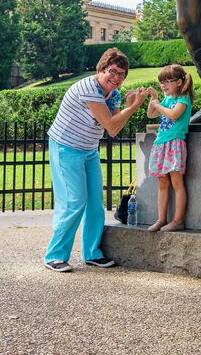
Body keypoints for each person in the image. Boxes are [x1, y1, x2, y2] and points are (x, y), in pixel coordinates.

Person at [43, 47, 149, 272]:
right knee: (74, 201)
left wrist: (127, 106)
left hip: (89, 149)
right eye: (112, 71)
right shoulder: (88, 87)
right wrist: (134, 106)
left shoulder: (115, 94)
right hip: (66, 147)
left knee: (95, 205)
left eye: (121, 74)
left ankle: (91, 253)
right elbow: (111, 124)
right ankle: (54, 255)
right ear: (101, 69)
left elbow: (114, 129)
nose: (116, 78)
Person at [144, 64, 193, 232]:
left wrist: (158, 104)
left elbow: (173, 115)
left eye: (167, 81)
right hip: (161, 143)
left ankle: (178, 220)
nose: (163, 85)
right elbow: (150, 114)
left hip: (174, 143)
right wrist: (155, 98)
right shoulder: (167, 99)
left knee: (176, 182)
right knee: (162, 182)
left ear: (179, 82)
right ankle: (161, 219)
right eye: (161, 82)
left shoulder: (183, 98)